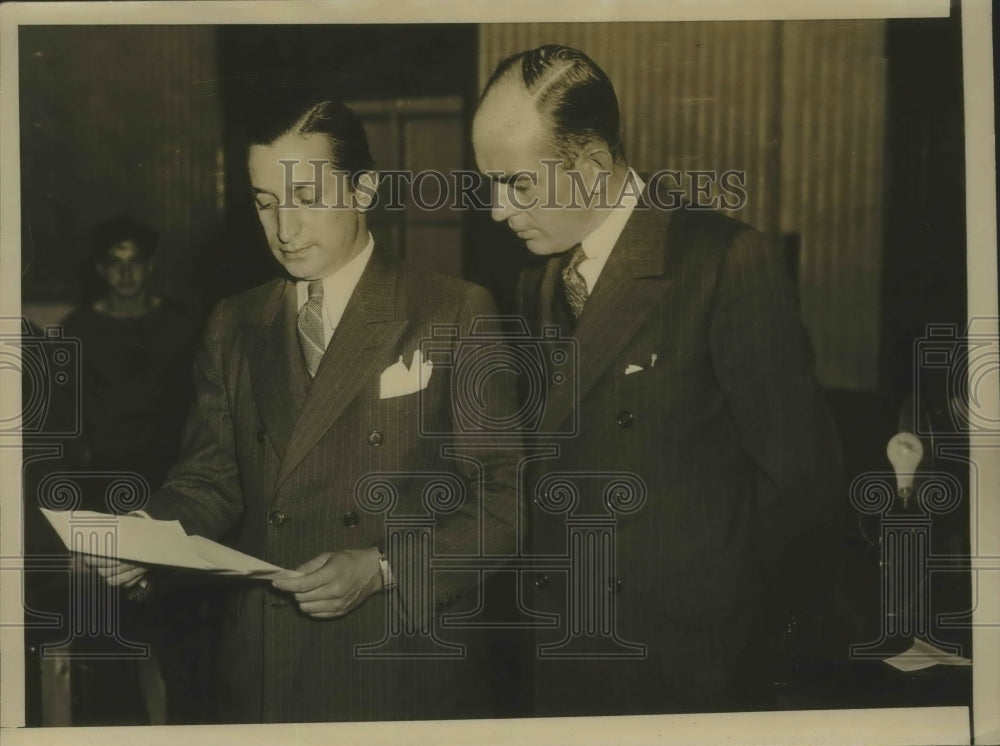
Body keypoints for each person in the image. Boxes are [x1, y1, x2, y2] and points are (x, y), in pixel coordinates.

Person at [86, 97, 520, 723]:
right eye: (266, 202)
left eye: (308, 198)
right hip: (265, 663)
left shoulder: (453, 310)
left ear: (365, 188)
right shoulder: (235, 321)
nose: (285, 229)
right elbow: (209, 481)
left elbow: (504, 501)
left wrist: (382, 568)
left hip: (399, 660)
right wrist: (143, 536)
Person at [471, 45, 844, 716]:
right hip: (562, 648)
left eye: (516, 184)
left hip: (688, 664)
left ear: (588, 165)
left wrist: (703, 598)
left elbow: (800, 478)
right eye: (488, 184)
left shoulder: (722, 261)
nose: (498, 211)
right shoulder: (534, 277)